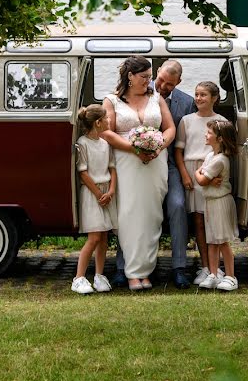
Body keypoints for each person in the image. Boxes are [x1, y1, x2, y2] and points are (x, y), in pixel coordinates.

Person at [102, 56, 175, 291]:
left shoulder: (157, 98)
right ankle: (133, 273)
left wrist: (158, 146)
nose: (148, 81)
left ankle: (147, 271)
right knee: (130, 215)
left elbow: (170, 127)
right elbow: (107, 132)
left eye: (149, 77)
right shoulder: (111, 100)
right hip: (126, 164)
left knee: (152, 216)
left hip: (155, 162)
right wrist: (135, 148)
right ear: (130, 77)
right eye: (144, 77)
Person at [151, 59, 197, 289]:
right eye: (161, 80)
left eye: (170, 84)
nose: (163, 86)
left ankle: (179, 267)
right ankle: (127, 266)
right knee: (136, 210)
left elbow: (187, 141)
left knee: (178, 206)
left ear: (178, 82)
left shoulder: (187, 103)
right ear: (157, 71)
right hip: (143, 165)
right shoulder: (137, 93)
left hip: (171, 165)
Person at [174, 81, 224, 285]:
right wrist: (185, 175)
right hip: (192, 171)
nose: (198, 98)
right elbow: (178, 151)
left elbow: (225, 151)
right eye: (196, 94)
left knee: (213, 220)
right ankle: (204, 267)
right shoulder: (186, 120)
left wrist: (216, 175)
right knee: (198, 221)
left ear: (214, 98)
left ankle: (216, 267)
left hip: (212, 168)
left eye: (203, 95)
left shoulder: (220, 121)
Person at [71, 104, 117, 295]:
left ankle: (99, 275)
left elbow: (112, 168)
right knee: (94, 237)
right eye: (106, 119)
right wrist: (99, 194)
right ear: (98, 123)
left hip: (106, 193)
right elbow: (83, 173)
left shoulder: (106, 143)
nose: (109, 121)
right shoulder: (82, 143)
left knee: (104, 236)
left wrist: (111, 191)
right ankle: (79, 277)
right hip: (93, 194)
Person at [195, 119, 239, 292]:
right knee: (212, 240)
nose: (206, 135)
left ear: (219, 139)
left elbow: (201, 180)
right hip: (210, 201)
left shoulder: (220, 160)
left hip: (220, 201)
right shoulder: (210, 156)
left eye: (209, 133)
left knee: (222, 241)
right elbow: (203, 178)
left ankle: (231, 276)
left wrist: (200, 173)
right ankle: (213, 274)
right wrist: (202, 175)